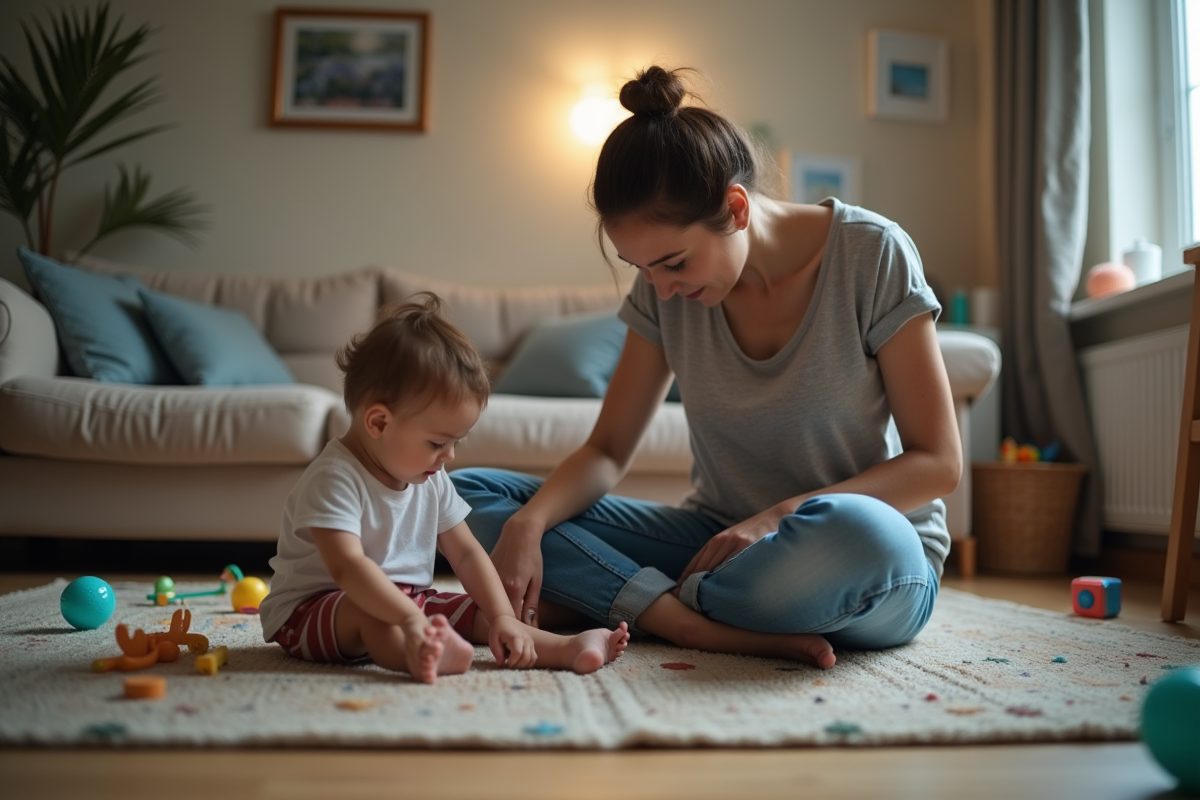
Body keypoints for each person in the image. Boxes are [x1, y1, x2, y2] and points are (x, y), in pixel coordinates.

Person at [450, 66, 961, 670]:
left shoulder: (872, 253)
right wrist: (529, 526)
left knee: (860, 538)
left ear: (736, 208)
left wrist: (776, 518)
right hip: (712, 542)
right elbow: (609, 449)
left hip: (855, 554)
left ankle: (638, 602)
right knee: (461, 495)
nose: (661, 291)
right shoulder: (663, 294)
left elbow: (938, 463)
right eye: (642, 270)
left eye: (674, 264)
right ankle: (686, 616)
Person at [259, 293, 630, 683]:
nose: (449, 456)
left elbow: (467, 554)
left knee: (481, 613)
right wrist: (407, 618)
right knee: (373, 615)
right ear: (379, 423)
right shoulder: (334, 479)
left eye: (457, 442)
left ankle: (566, 648)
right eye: (438, 443)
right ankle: (418, 653)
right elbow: (348, 567)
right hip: (316, 610)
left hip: (410, 602)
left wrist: (503, 617)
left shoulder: (431, 478)